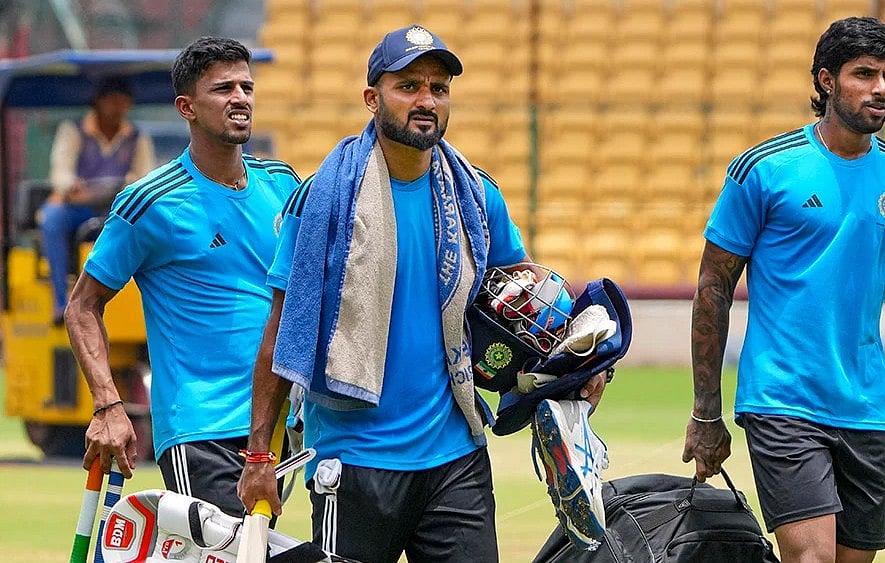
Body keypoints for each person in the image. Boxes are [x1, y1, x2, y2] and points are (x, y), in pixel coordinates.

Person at [236, 25, 607, 562]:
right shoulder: (321, 200)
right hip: (354, 459)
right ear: (372, 98)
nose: (426, 100)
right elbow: (280, 332)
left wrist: (584, 356)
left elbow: (530, 293)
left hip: (456, 456)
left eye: (438, 87)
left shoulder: (476, 195)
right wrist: (258, 456)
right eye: (408, 86)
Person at [683, 16, 885, 563]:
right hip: (781, 399)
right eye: (864, 74)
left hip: (866, 405)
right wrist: (707, 413)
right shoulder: (765, 169)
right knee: (812, 559)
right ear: (826, 81)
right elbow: (713, 287)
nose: (881, 89)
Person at [64, 36, 300, 518]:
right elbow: (82, 306)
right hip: (201, 429)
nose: (240, 98)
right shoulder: (150, 201)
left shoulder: (282, 184)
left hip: (278, 425)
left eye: (246, 86)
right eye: (223, 89)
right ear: (186, 107)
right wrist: (108, 405)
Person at [40, 76, 156, 325]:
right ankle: (61, 300)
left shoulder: (137, 137)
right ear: (98, 103)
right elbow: (61, 172)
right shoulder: (73, 130)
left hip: (116, 210)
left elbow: (146, 178)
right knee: (51, 218)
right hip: (77, 207)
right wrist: (71, 186)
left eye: (123, 103)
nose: (117, 108)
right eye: (112, 101)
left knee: (152, 222)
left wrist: (131, 185)